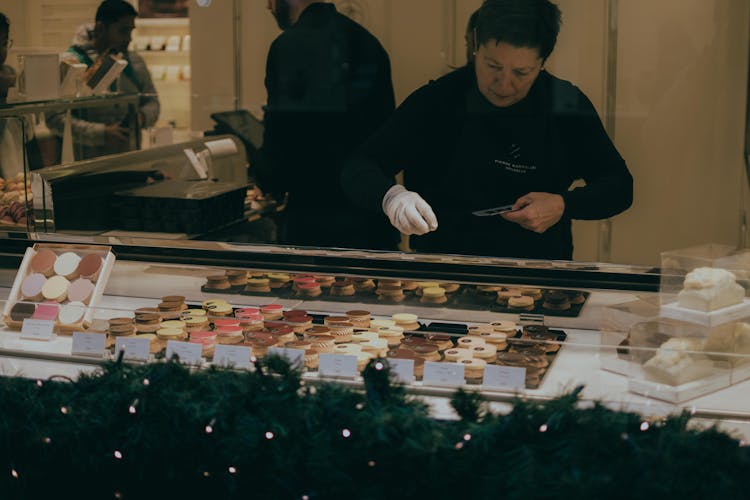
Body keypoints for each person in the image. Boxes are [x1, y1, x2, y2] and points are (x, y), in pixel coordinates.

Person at [341, 0, 633, 260]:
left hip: (539, 270)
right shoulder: (439, 100)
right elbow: (360, 166)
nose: (503, 85)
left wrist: (563, 204)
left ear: (542, 63)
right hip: (444, 269)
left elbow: (619, 186)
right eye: (492, 65)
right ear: (476, 46)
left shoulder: (565, 103)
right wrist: (392, 197)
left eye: (521, 73)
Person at [254, 0, 398, 249]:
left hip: (315, 219)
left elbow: (281, 137)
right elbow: (387, 139)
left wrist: (266, 179)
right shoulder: (368, 42)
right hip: (372, 217)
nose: (268, 6)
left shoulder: (288, 46)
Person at [47, 0, 159, 160]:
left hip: (130, 158)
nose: (129, 39)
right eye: (122, 31)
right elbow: (54, 118)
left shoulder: (135, 62)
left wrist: (140, 117)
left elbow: (152, 101)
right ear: (101, 28)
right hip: (85, 164)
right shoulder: (73, 62)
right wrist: (100, 133)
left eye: (130, 31)